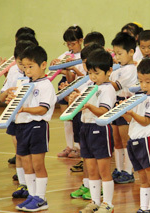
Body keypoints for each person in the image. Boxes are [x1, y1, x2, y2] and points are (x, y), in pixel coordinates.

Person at [10, 45, 56, 211]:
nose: (27, 70)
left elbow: (42, 109)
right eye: (24, 67)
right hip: (21, 126)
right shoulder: (24, 84)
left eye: (31, 66)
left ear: (43, 65)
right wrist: (12, 100)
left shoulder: (45, 85)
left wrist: (24, 109)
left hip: (37, 126)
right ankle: (32, 195)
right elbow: (17, 103)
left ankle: (41, 198)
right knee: (26, 164)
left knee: (38, 165)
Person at [72, 49, 116, 213]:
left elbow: (104, 111)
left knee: (104, 169)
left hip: (100, 129)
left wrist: (89, 105)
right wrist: (76, 97)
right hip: (86, 128)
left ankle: (108, 203)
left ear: (109, 71)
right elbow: (80, 105)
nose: (93, 76)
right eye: (90, 73)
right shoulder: (90, 86)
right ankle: (95, 201)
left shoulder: (108, 89)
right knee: (91, 169)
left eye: (96, 73)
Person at [121, 57, 150, 213]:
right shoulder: (140, 96)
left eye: (148, 81)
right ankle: (143, 207)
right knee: (142, 178)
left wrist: (132, 113)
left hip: (147, 140)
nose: (144, 85)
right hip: (134, 140)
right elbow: (129, 120)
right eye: (141, 81)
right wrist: (125, 111)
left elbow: (146, 121)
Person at [0, 40, 37, 198]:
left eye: (27, 65)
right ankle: (23, 184)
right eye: (20, 63)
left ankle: (33, 187)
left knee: (31, 156)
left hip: (31, 121)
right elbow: (1, 97)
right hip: (16, 120)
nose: (24, 68)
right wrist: (8, 92)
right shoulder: (14, 72)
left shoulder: (36, 76)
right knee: (20, 153)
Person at [69, 43, 105, 201]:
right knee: (86, 156)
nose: (85, 66)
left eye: (87, 62)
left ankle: (98, 187)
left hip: (97, 125)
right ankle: (87, 184)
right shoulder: (87, 81)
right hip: (85, 123)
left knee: (97, 159)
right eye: (83, 62)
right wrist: (73, 96)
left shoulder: (103, 85)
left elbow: (101, 107)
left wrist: (86, 104)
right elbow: (79, 102)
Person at [52, 25, 85, 159]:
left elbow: (80, 76)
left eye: (73, 43)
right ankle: (69, 146)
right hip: (64, 84)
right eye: (68, 44)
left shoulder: (83, 56)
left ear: (81, 40)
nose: (70, 46)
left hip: (77, 86)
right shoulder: (66, 55)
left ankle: (78, 147)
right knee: (66, 117)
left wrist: (68, 69)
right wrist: (56, 63)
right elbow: (55, 67)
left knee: (76, 118)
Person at [110, 32, 138, 183]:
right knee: (117, 139)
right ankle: (119, 168)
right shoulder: (118, 69)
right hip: (116, 103)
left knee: (126, 139)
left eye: (120, 53)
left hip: (126, 103)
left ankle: (128, 170)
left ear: (131, 52)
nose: (117, 57)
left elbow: (114, 86)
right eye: (115, 53)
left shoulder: (131, 70)